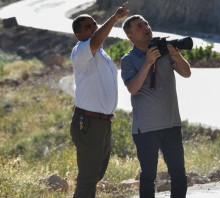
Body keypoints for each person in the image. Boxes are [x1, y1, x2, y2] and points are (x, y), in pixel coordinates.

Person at [121, 15, 191, 198]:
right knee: (148, 177)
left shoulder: (164, 51)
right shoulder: (128, 60)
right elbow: (133, 88)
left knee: (179, 175)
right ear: (130, 36)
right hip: (145, 129)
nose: (146, 27)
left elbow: (186, 73)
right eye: (139, 26)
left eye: (146, 23)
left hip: (171, 124)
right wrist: (148, 62)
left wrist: (176, 54)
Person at [69, 2, 129, 198]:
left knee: (96, 174)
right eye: (88, 26)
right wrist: (114, 18)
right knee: (88, 177)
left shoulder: (100, 54)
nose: (94, 27)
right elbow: (95, 40)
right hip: (89, 122)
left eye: (94, 23)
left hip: (102, 122)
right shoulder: (81, 51)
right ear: (78, 35)